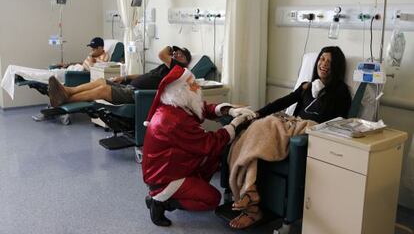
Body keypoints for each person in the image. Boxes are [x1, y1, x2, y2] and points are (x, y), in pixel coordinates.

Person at [228, 46, 352, 229]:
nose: (324, 64)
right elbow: (283, 102)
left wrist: (324, 94)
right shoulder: (306, 87)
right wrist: (257, 113)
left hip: (306, 131)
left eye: (330, 62)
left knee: (263, 127)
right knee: (250, 131)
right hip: (289, 124)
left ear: (337, 67)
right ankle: (250, 192)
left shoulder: (340, 93)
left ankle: (251, 202)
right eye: (322, 59)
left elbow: (336, 122)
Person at [141, 65, 256, 227]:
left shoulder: (175, 105)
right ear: (181, 90)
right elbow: (209, 143)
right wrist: (234, 126)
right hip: (165, 177)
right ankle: (160, 202)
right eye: (193, 84)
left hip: (173, 166)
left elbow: (201, 107)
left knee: (212, 159)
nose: (197, 87)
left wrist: (228, 111)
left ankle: (176, 194)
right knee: (212, 199)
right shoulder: (173, 120)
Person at [47, 45, 192, 107]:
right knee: (101, 81)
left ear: (186, 62)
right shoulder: (166, 67)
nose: (176, 54)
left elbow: (161, 54)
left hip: (136, 95)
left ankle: (66, 99)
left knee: (103, 90)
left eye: (181, 55)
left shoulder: (179, 69)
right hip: (129, 86)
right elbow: (146, 76)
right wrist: (125, 77)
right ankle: (68, 91)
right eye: (176, 53)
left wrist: (170, 48)